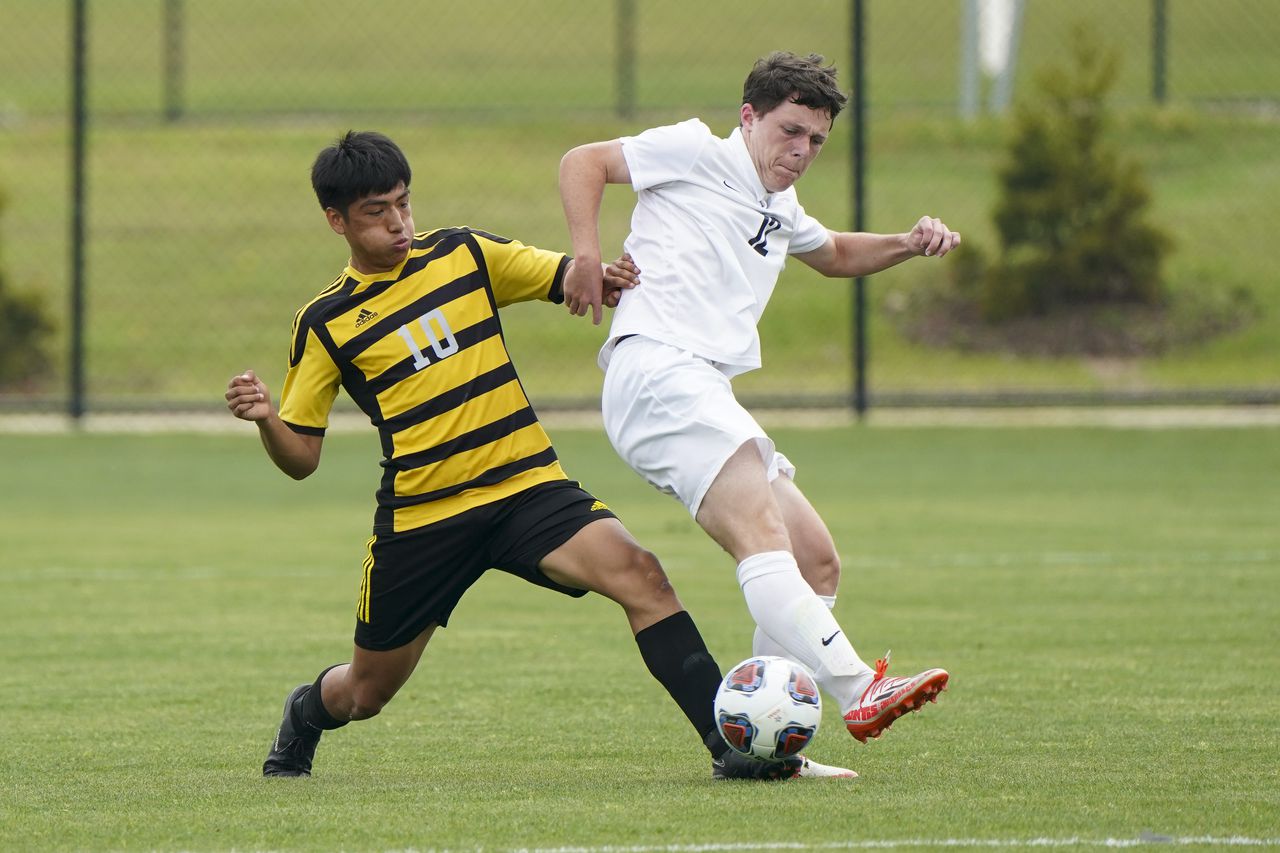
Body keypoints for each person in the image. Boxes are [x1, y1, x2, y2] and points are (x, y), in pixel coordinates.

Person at [225, 130, 854, 783]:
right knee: (365, 691)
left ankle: (733, 749)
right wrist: (269, 419)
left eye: (404, 204)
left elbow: (567, 276)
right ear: (336, 220)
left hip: (529, 491)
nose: (399, 223)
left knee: (644, 577)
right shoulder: (325, 321)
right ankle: (304, 711)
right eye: (376, 213)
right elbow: (301, 456)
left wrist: (601, 275)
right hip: (425, 519)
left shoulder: (464, 253)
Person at [558, 52, 960, 744]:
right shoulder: (692, 149)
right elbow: (581, 161)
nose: (802, 152)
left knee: (814, 557)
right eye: (790, 131)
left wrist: (907, 243)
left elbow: (832, 251)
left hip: (701, 386)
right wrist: (586, 254)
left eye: (816, 141)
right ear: (748, 118)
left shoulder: (781, 204)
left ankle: (762, 741)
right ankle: (859, 686)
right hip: (657, 368)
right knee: (764, 537)